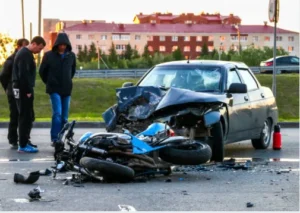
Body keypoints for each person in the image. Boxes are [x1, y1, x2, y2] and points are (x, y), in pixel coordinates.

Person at [39, 32, 76, 147]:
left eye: (65, 45)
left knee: (64, 117)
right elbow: (42, 71)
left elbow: (72, 71)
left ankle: (61, 138)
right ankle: (55, 138)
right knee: (57, 114)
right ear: (57, 44)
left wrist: (67, 81)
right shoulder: (48, 55)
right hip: (54, 89)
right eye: (61, 45)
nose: (63, 47)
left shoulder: (71, 56)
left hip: (66, 89)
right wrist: (49, 82)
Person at [12, 36, 46, 153]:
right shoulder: (24, 54)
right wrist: (27, 91)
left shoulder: (26, 54)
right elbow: (23, 74)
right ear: (34, 44)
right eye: (40, 49)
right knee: (25, 116)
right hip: (23, 89)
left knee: (28, 116)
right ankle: (23, 145)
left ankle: (25, 141)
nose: (39, 52)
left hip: (22, 88)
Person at [0, 38, 29, 149]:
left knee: (27, 115)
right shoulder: (11, 60)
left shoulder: (24, 58)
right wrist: (8, 88)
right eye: (23, 47)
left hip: (22, 91)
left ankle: (24, 137)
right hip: (13, 92)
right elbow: (3, 76)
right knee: (15, 115)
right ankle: (13, 138)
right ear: (18, 46)